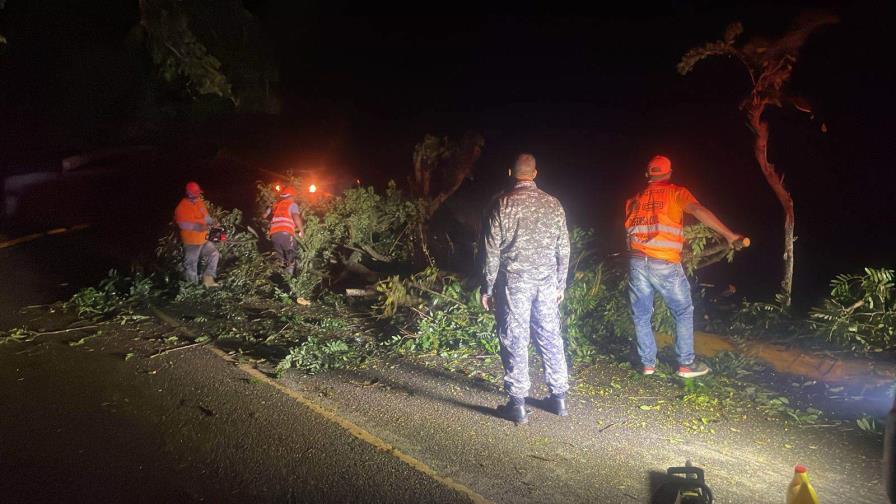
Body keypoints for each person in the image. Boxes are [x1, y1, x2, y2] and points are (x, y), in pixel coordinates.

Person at [625, 155, 743, 378]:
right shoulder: (676, 192)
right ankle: (686, 365)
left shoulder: (634, 199)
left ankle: (648, 365)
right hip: (665, 262)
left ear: (647, 174)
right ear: (669, 173)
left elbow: (629, 231)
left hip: (637, 260)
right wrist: (729, 235)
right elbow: (698, 211)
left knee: (641, 315)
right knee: (682, 310)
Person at [481, 153, 571, 424]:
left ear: (510, 172)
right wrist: (560, 284)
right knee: (550, 334)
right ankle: (559, 398)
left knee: (515, 336)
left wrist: (487, 288)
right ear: (535, 173)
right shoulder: (554, 204)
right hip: (546, 283)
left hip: (514, 284)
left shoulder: (502, 204)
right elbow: (564, 249)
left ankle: (517, 403)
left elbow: (491, 252)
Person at [174, 181, 220, 287]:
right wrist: (200, 227)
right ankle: (192, 288)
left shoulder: (199, 202)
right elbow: (183, 225)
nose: (198, 194)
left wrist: (213, 222)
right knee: (191, 265)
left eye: (198, 192)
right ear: (189, 193)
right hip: (191, 242)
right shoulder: (181, 207)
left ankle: (208, 279)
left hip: (203, 239)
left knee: (214, 254)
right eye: (195, 193)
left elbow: (206, 217)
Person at [268, 185, 304, 275]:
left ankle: (280, 277)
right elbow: (296, 216)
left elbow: (264, 215)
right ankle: (290, 279)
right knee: (291, 255)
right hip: (286, 233)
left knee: (281, 258)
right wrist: (301, 231)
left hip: (274, 235)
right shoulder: (292, 204)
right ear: (291, 196)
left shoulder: (276, 205)